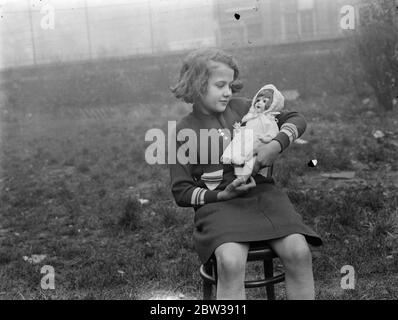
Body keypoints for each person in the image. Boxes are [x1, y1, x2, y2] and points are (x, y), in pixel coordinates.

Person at [169, 48, 322, 300]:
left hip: (263, 197)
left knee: (299, 252)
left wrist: (276, 144)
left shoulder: (244, 108)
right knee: (230, 262)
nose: (228, 92)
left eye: (230, 84)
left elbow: (296, 118)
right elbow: (181, 192)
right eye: (220, 85)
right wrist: (221, 195)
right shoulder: (184, 131)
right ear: (197, 85)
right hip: (219, 206)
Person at [221, 84, 285, 181]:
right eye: (258, 100)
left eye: (264, 101)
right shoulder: (251, 116)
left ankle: (244, 178)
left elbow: (273, 131)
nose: (259, 103)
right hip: (246, 139)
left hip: (257, 142)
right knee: (237, 157)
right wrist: (239, 130)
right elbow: (246, 126)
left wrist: (267, 138)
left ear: (272, 106)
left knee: (251, 160)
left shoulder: (268, 120)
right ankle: (238, 176)